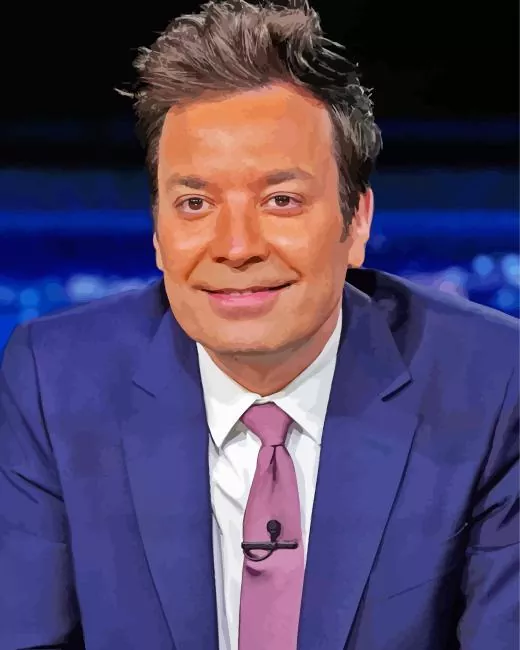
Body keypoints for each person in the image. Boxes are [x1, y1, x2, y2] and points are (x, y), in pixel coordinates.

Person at [0, 1, 518, 648]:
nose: (237, 247)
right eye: (195, 203)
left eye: (281, 200)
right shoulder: (53, 382)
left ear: (356, 222)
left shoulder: (493, 384)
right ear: (158, 231)